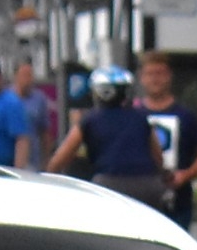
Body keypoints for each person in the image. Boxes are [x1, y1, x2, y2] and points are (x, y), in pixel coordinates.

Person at [45, 66, 168, 209]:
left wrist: (48, 174)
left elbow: (64, 155)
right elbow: (158, 156)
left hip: (108, 183)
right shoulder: (141, 118)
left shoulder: (89, 119)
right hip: (147, 185)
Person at [135, 50, 197, 231]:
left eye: (160, 73)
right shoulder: (131, 114)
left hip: (178, 204)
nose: (155, 79)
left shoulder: (186, 115)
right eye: (150, 74)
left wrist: (185, 176)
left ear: (169, 76)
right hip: (138, 202)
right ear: (141, 78)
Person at [11, 60, 55, 162]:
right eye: (25, 75)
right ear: (16, 77)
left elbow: (45, 132)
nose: (29, 79)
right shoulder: (6, 98)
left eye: (30, 75)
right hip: (9, 159)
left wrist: (47, 159)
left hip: (32, 159)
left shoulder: (39, 99)